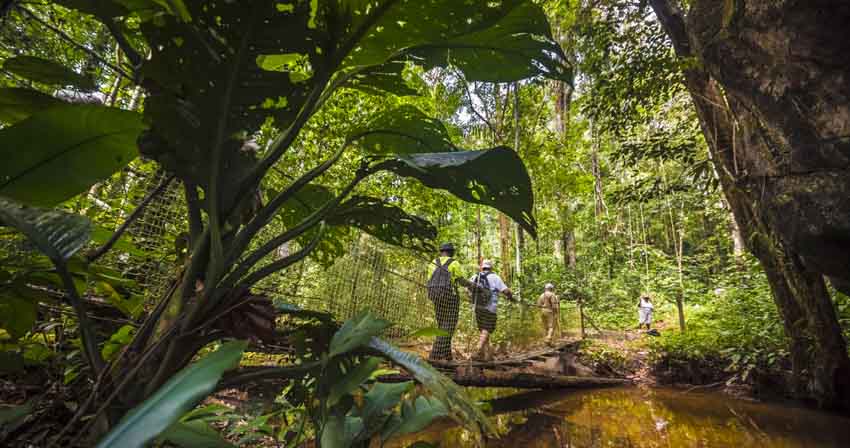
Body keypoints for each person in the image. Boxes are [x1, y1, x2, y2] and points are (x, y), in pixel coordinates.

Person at [425, 242, 465, 361]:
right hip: (450, 297)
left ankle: (447, 356)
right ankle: (435, 354)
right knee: (449, 325)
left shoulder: (432, 263)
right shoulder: (454, 263)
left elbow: (429, 280)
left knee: (442, 324)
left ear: (441, 251)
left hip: (435, 296)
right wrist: (473, 287)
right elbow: (460, 280)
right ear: (451, 252)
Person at [468, 260, 512, 361]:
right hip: (490, 307)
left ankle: (487, 356)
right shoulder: (495, 277)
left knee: (483, 330)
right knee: (487, 329)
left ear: (482, 267)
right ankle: (478, 349)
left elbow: (468, 289)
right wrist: (510, 295)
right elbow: (505, 291)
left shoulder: (475, 276)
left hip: (477, 307)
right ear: (491, 268)